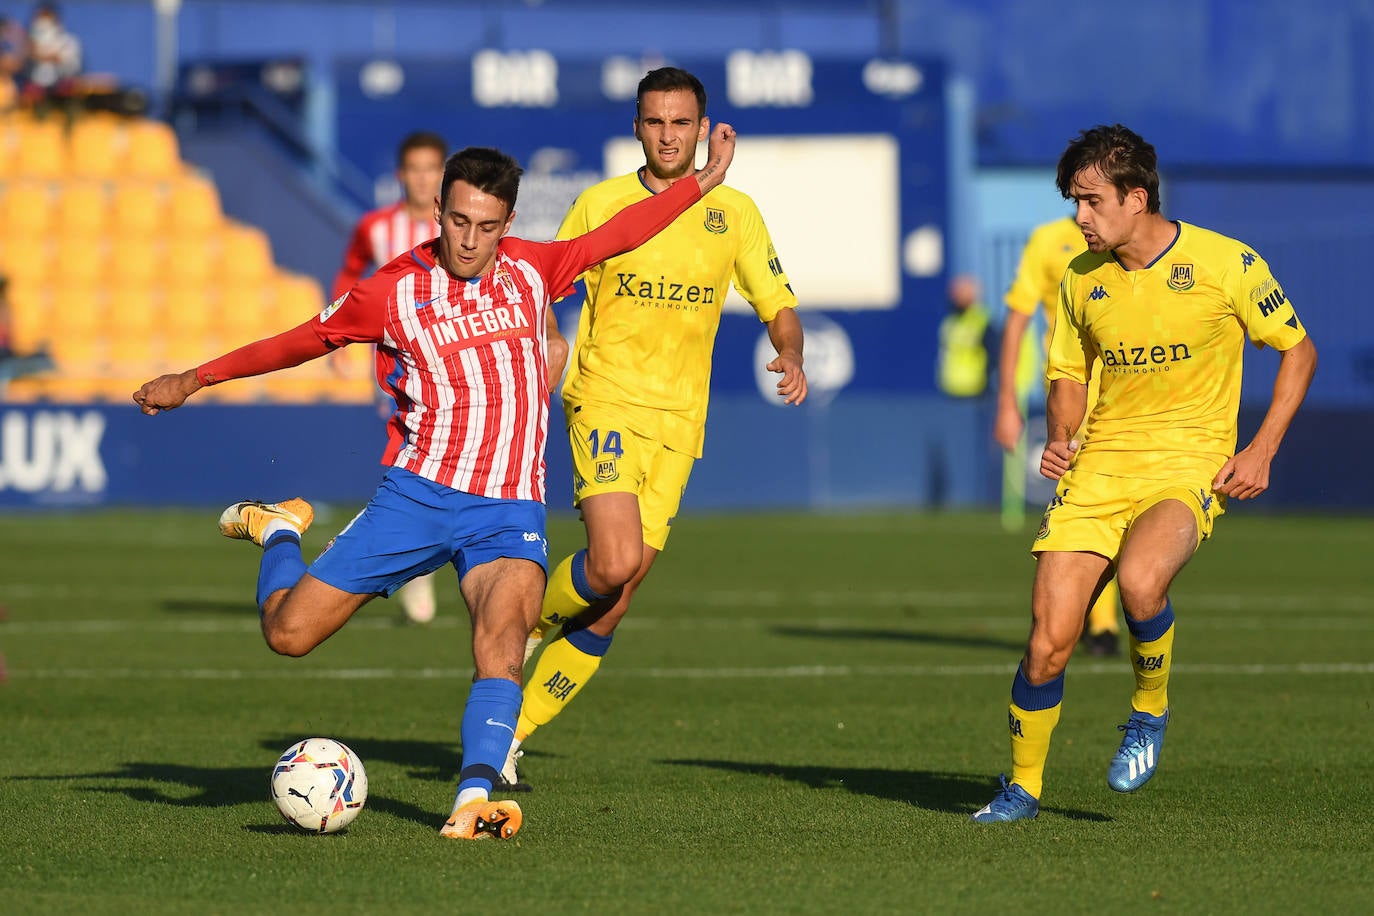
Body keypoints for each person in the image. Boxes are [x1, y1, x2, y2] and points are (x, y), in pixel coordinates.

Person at [132, 127, 739, 840]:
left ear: (507, 225)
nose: (470, 240)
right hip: (414, 500)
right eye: (457, 221)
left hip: (505, 510)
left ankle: (472, 798)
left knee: (503, 641)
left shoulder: (534, 269)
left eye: (486, 226)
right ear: (438, 212)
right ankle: (280, 530)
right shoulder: (392, 292)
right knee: (288, 636)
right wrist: (196, 377)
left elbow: (621, 231)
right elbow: (300, 340)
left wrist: (702, 181)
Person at [971, 124, 1316, 823]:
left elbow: (1298, 351)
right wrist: (1061, 435)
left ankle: (1148, 711)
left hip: (1185, 466)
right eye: (1074, 201)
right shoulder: (1079, 278)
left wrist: (1262, 449)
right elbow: (1068, 373)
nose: (1080, 217)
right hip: (1098, 471)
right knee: (1047, 642)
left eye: (1093, 201)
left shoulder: (1226, 262)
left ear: (1137, 196)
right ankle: (1022, 789)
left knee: (1139, 580)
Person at [504, 67, 806, 788]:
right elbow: (545, 281)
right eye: (654, 122)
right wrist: (550, 338)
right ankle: (513, 630)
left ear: (702, 129)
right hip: (606, 400)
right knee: (610, 563)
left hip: (680, 422)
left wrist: (789, 350)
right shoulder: (602, 203)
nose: (668, 136)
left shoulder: (733, 213)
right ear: (637, 127)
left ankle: (508, 732)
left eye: (681, 123)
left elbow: (778, 299)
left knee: (618, 596)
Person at [332, 130, 449, 626]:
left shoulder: (463, 225)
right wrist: (339, 332)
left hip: (459, 362)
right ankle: (415, 568)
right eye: (415, 169)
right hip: (403, 367)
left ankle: (423, 556)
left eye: (432, 169)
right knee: (412, 461)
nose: (423, 179)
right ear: (401, 175)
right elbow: (350, 273)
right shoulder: (376, 227)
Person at [994, 215, 1124, 656]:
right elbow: (1017, 319)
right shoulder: (1048, 241)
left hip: (1129, 392)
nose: (1086, 206)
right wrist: (1007, 402)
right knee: (1087, 502)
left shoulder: (1133, 240)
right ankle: (1101, 623)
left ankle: (1101, 620)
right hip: (1072, 394)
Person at [929, 273, 993, 506]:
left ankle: (977, 497)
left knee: (975, 450)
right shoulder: (950, 321)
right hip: (951, 391)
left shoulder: (982, 321)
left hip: (975, 392)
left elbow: (992, 355)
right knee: (954, 450)